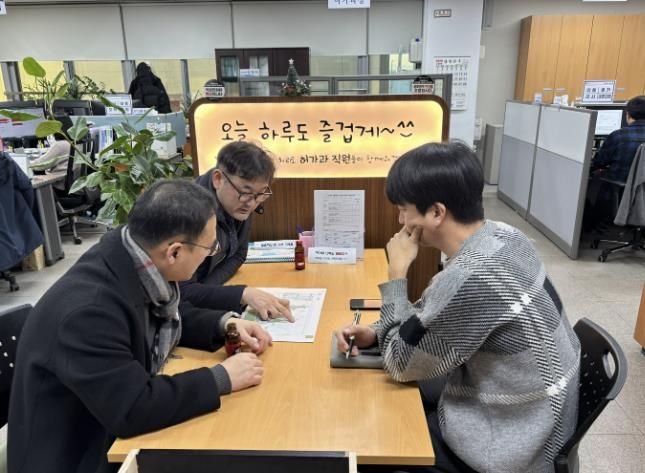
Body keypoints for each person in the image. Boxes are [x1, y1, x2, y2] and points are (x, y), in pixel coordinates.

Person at [335, 142, 581, 473]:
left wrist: (396, 274)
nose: (400, 220)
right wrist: (376, 332)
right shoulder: (505, 235)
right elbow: (432, 317)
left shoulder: (469, 277)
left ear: (436, 213)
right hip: (535, 419)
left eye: (404, 209)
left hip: (509, 446)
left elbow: (400, 364)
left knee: (371, 439)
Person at [8, 179, 271, 473]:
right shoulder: (89, 314)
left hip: (100, 422)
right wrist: (220, 378)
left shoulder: (131, 254)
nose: (211, 253)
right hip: (75, 454)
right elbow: (132, 407)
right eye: (209, 248)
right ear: (174, 252)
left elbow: (164, 313)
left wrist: (225, 324)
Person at [180, 141, 293, 322]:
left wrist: (209, 291)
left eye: (260, 194)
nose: (252, 203)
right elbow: (180, 291)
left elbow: (239, 254)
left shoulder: (240, 201)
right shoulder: (187, 214)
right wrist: (241, 294)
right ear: (218, 179)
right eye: (245, 191)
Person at [585, 96, 645, 230]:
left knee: (594, 181)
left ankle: (592, 226)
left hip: (619, 190)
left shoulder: (619, 136)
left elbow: (599, 162)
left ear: (628, 114)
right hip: (642, 194)